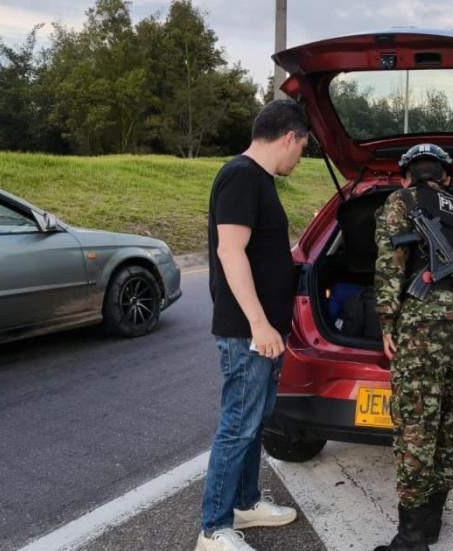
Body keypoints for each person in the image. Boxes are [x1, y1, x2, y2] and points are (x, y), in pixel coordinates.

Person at [197, 100, 310, 551]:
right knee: (237, 425)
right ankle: (213, 528)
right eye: (301, 148)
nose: (299, 159)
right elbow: (230, 251)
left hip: (263, 331)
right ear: (289, 137)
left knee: (253, 420)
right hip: (247, 331)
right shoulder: (242, 175)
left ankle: (244, 503)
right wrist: (260, 324)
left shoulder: (257, 179)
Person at [372, 144, 453, 551]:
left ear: (406, 176)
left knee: (417, 424)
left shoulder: (400, 201)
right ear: (446, 177)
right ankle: (432, 518)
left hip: (422, 323)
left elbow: (390, 265)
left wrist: (387, 321)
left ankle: (412, 537)